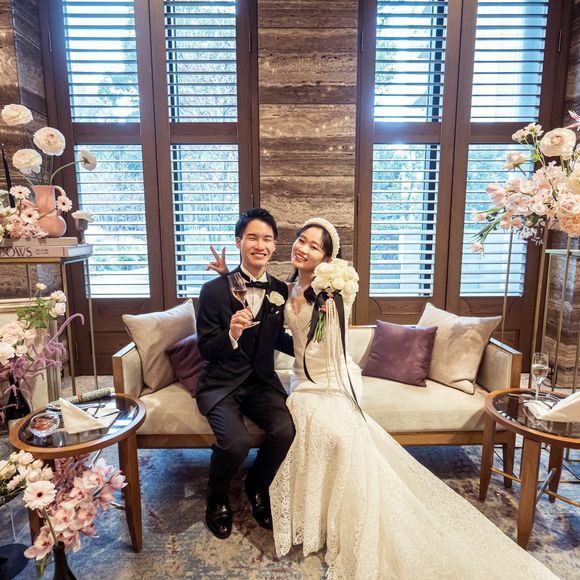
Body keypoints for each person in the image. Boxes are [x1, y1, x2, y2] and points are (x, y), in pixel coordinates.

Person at [208, 217, 559, 579]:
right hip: (302, 377)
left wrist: (331, 307)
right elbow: (272, 325)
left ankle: (341, 510)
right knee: (307, 422)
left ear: (327, 258)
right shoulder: (282, 289)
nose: (304, 248)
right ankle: (302, 503)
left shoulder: (331, 295)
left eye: (314, 246)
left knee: (339, 435)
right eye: (301, 240)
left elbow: (331, 344)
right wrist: (226, 279)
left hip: (330, 377)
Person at [196, 208, 295, 540]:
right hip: (221, 383)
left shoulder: (280, 289)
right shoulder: (213, 291)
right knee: (236, 443)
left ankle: (257, 484)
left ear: (274, 245)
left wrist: (310, 347)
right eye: (252, 237)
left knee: (285, 431)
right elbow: (206, 348)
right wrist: (231, 335)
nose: (260, 245)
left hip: (260, 382)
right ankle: (217, 497)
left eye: (267, 239)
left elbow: (275, 337)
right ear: (239, 241)